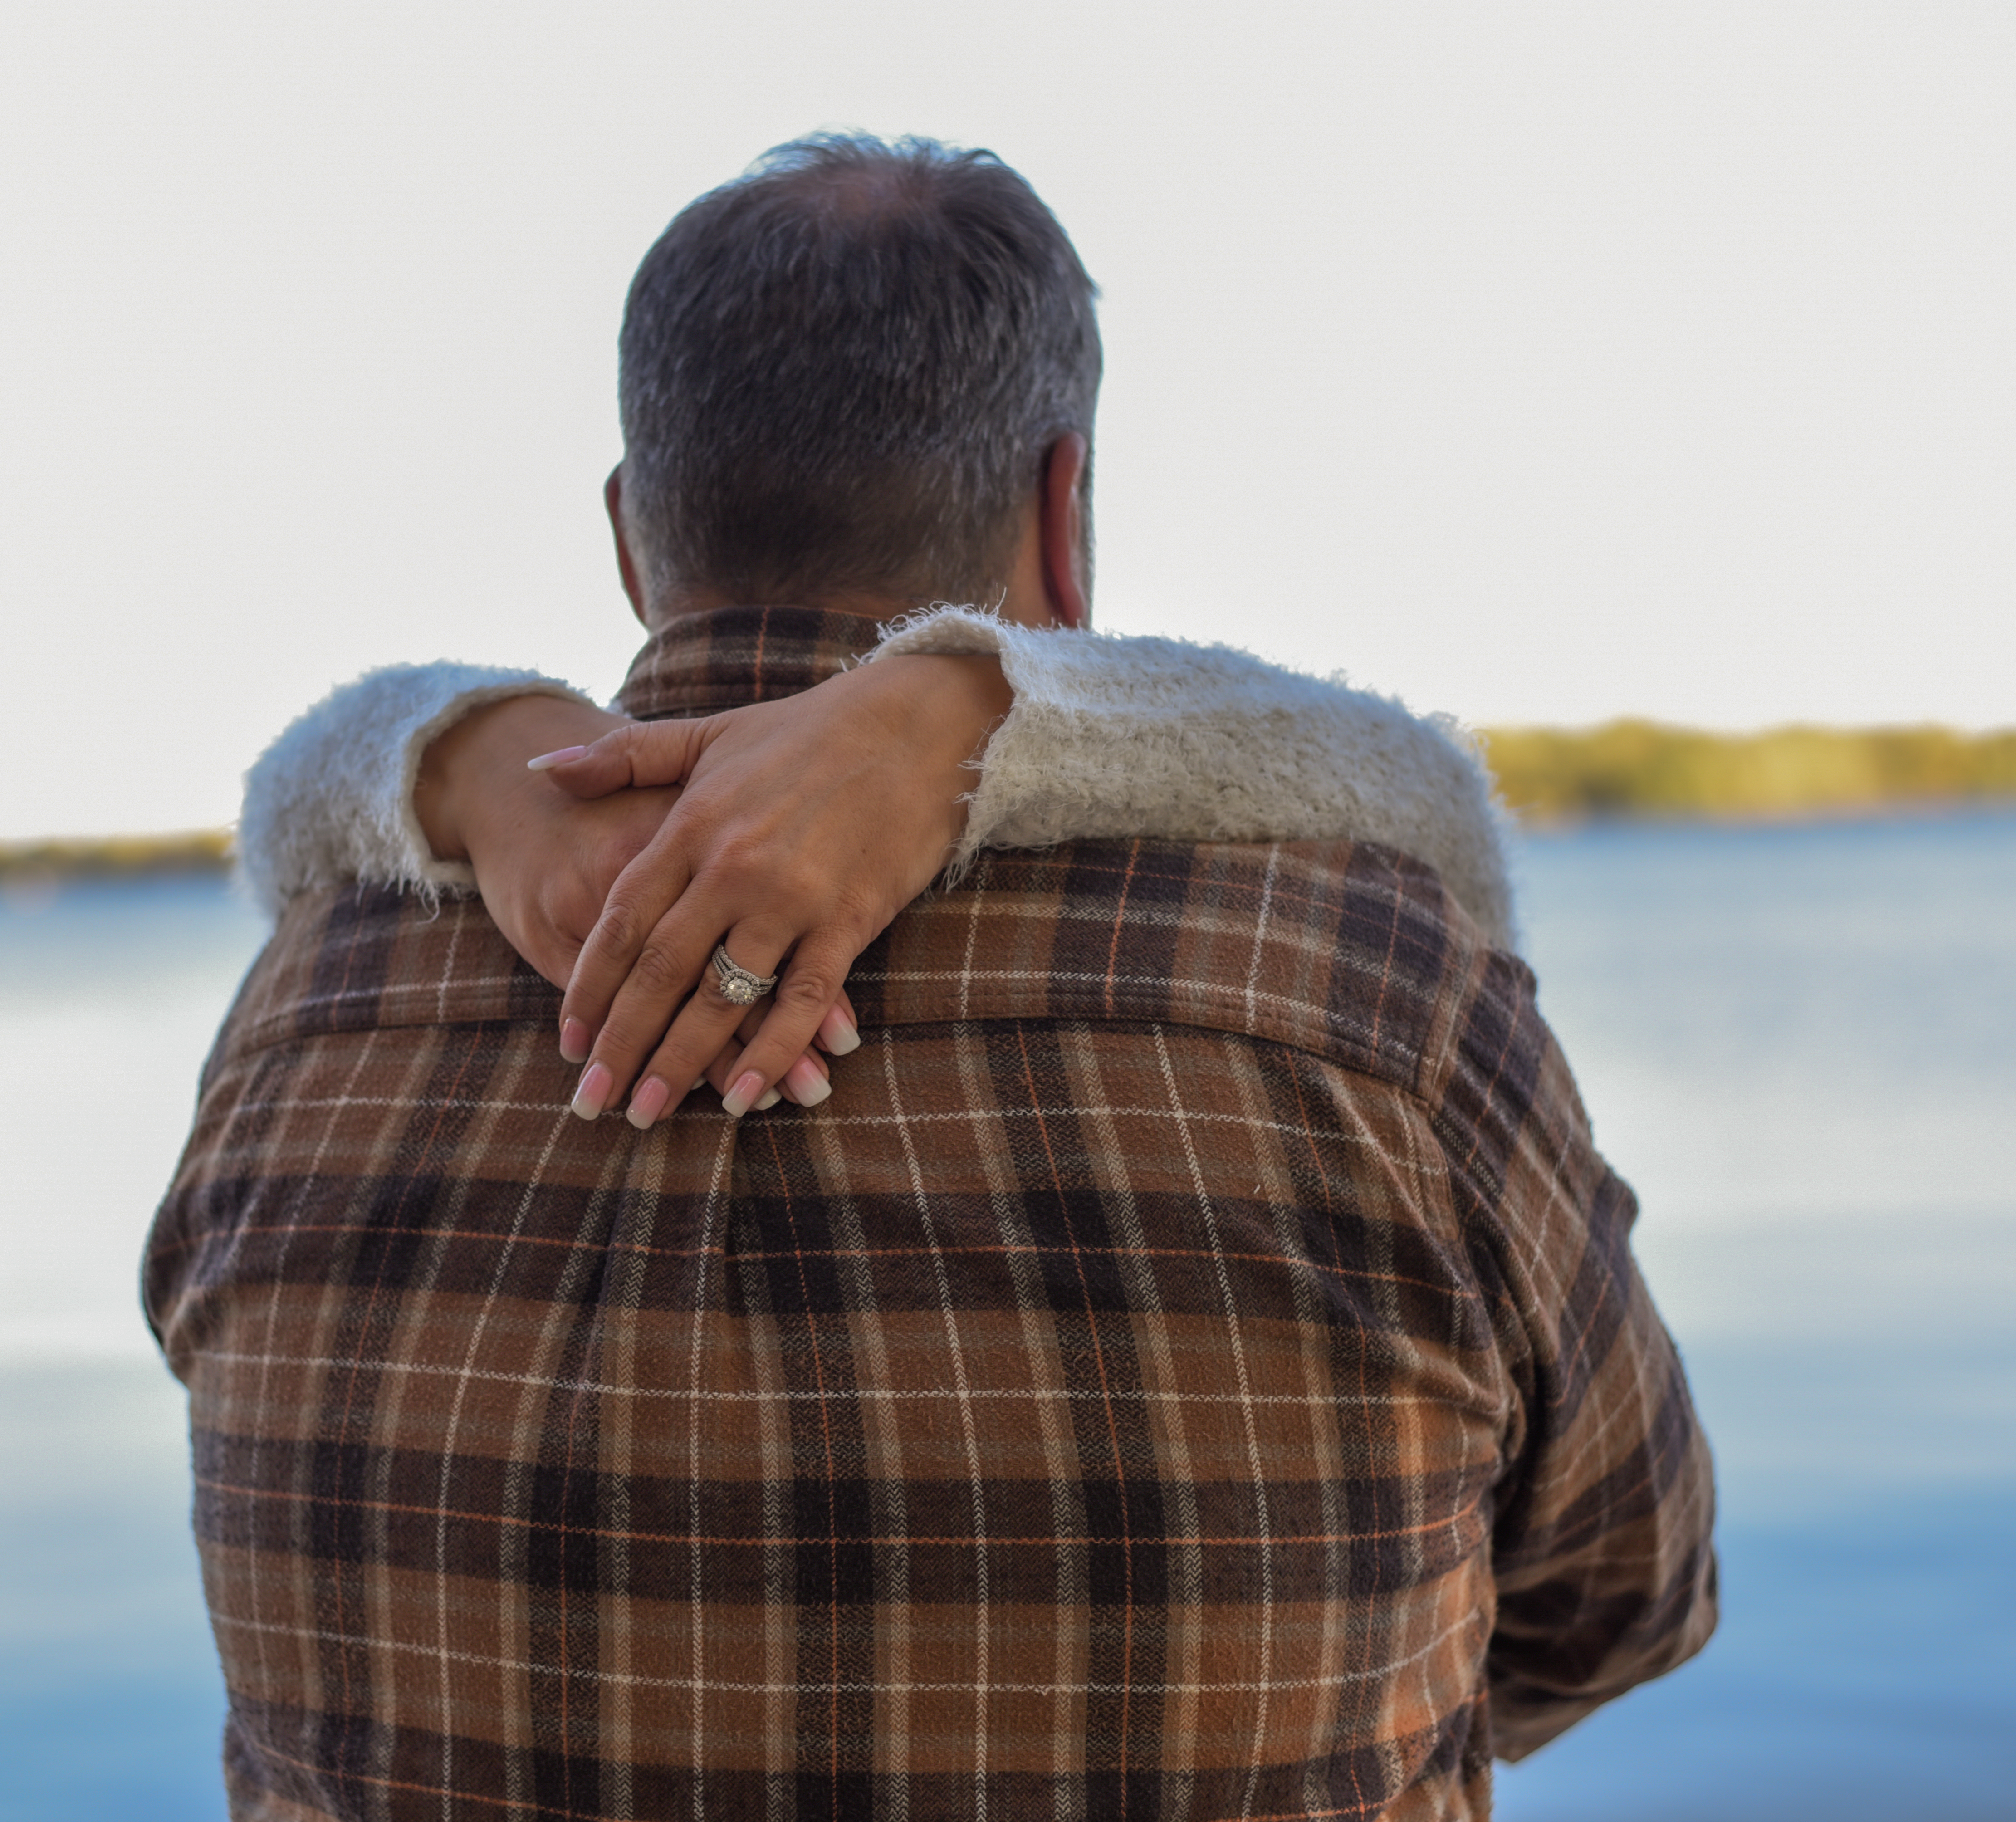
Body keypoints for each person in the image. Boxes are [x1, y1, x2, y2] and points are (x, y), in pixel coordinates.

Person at [147, 133, 1714, 1822]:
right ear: (1063, 514)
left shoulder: (305, 1011)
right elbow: (1621, 1597)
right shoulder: (1367, 993)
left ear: (629, 536)